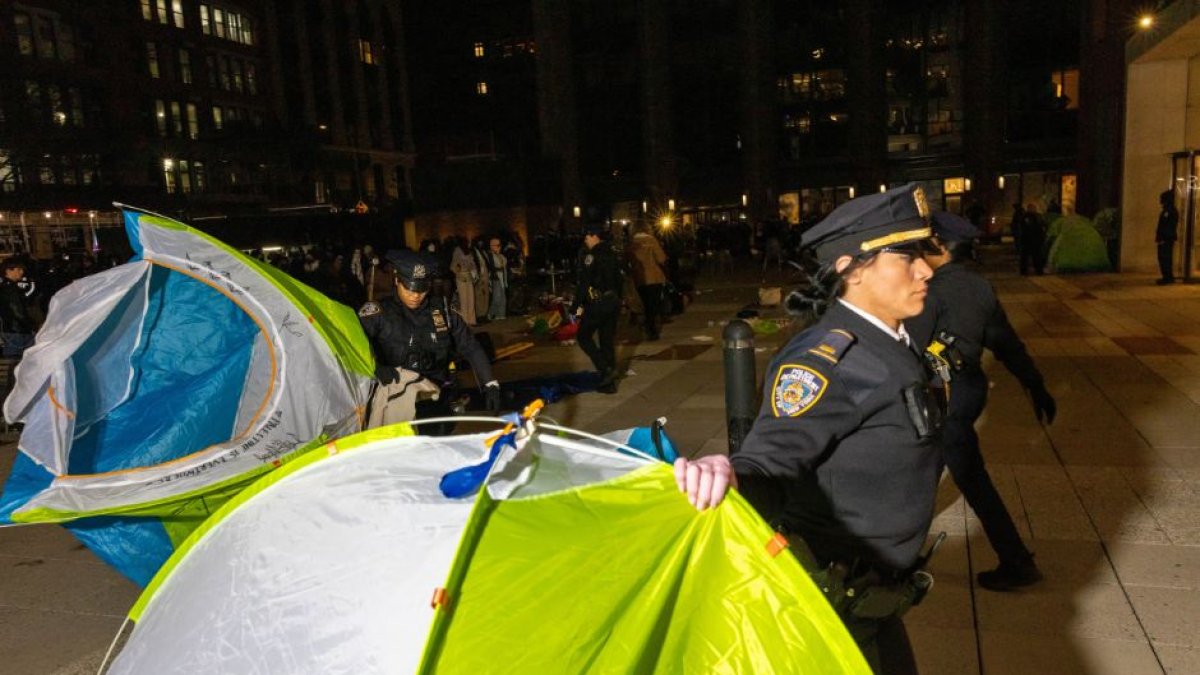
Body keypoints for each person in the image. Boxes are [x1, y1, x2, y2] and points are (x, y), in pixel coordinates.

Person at [673, 184, 943, 674]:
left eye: (922, 252)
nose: (925, 268)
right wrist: (730, 475)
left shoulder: (890, 339)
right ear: (849, 269)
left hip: (877, 596)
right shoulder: (830, 361)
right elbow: (770, 460)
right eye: (905, 256)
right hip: (837, 606)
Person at [911, 211, 1056, 592]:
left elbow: (909, 349)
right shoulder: (978, 286)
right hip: (967, 390)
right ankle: (901, 556)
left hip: (941, 395)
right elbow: (1005, 342)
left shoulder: (932, 291)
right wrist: (1035, 385)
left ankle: (1016, 560)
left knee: (957, 478)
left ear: (939, 247)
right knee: (932, 476)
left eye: (922, 245)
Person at [358, 250, 500, 434]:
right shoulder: (378, 313)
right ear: (397, 281)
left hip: (437, 401)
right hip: (397, 403)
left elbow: (470, 346)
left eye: (421, 289)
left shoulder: (442, 312)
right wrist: (374, 368)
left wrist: (489, 383)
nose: (415, 295)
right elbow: (352, 348)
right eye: (409, 288)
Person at [573, 223, 623, 394]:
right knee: (606, 339)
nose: (585, 240)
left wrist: (575, 306)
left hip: (598, 302)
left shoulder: (591, 256)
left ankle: (605, 370)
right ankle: (609, 382)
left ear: (594, 236)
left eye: (587, 236)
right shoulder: (612, 253)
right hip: (613, 301)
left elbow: (584, 282)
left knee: (583, 336)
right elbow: (619, 279)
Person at [627, 222, 668, 341]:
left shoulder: (631, 243)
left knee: (646, 303)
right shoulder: (652, 240)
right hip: (654, 277)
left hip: (639, 278)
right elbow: (661, 258)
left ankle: (648, 325)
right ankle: (651, 329)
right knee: (653, 303)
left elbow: (625, 262)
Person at [0, 258, 39, 358]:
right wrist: (31, 325)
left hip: (9, 329)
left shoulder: (5, 287)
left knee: (13, 360)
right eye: (19, 269)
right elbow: (17, 311)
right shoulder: (10, 289)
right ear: (9, 271)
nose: (22, 272)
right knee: (23, 361)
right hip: (18, 331)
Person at [450, 237, 479, 325]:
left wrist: (474, 270)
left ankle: (472, 320)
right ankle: (465, 320)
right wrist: (459, 269)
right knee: (463, 299)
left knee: (471, 298)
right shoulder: (457, 251)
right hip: (461, 277)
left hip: (469, 276)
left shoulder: (468, 251)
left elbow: (472, 263)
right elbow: (454, 264)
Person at [1156, 190, 1179, 285]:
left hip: (1166, 239)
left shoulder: (1170, 211)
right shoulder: (1168, 210)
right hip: (1166, 238)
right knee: (1164, 258)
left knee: (1165, 258)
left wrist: (1163, 237)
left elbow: (1167, 226)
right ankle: (1166, 276)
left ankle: (1168, 277)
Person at [485, 237, 508, 320]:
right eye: (497, 245)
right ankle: (491, 313)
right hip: (495, 278)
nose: (499, 247)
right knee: (496, 298)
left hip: (502, 278)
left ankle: (501, 315)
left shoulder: (501, 256)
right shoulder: (490, 256)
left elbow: (503, 264)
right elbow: (492, 267)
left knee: (502, 298)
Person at [1019, 203, 1046, 275]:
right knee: (1035, 256)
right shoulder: (1032, 217)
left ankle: (1026, 271)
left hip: (1029, 240)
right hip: (1032, 239)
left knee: (1027, 256)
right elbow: (1040, 226)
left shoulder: (1026, 217)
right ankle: (1038, 270)